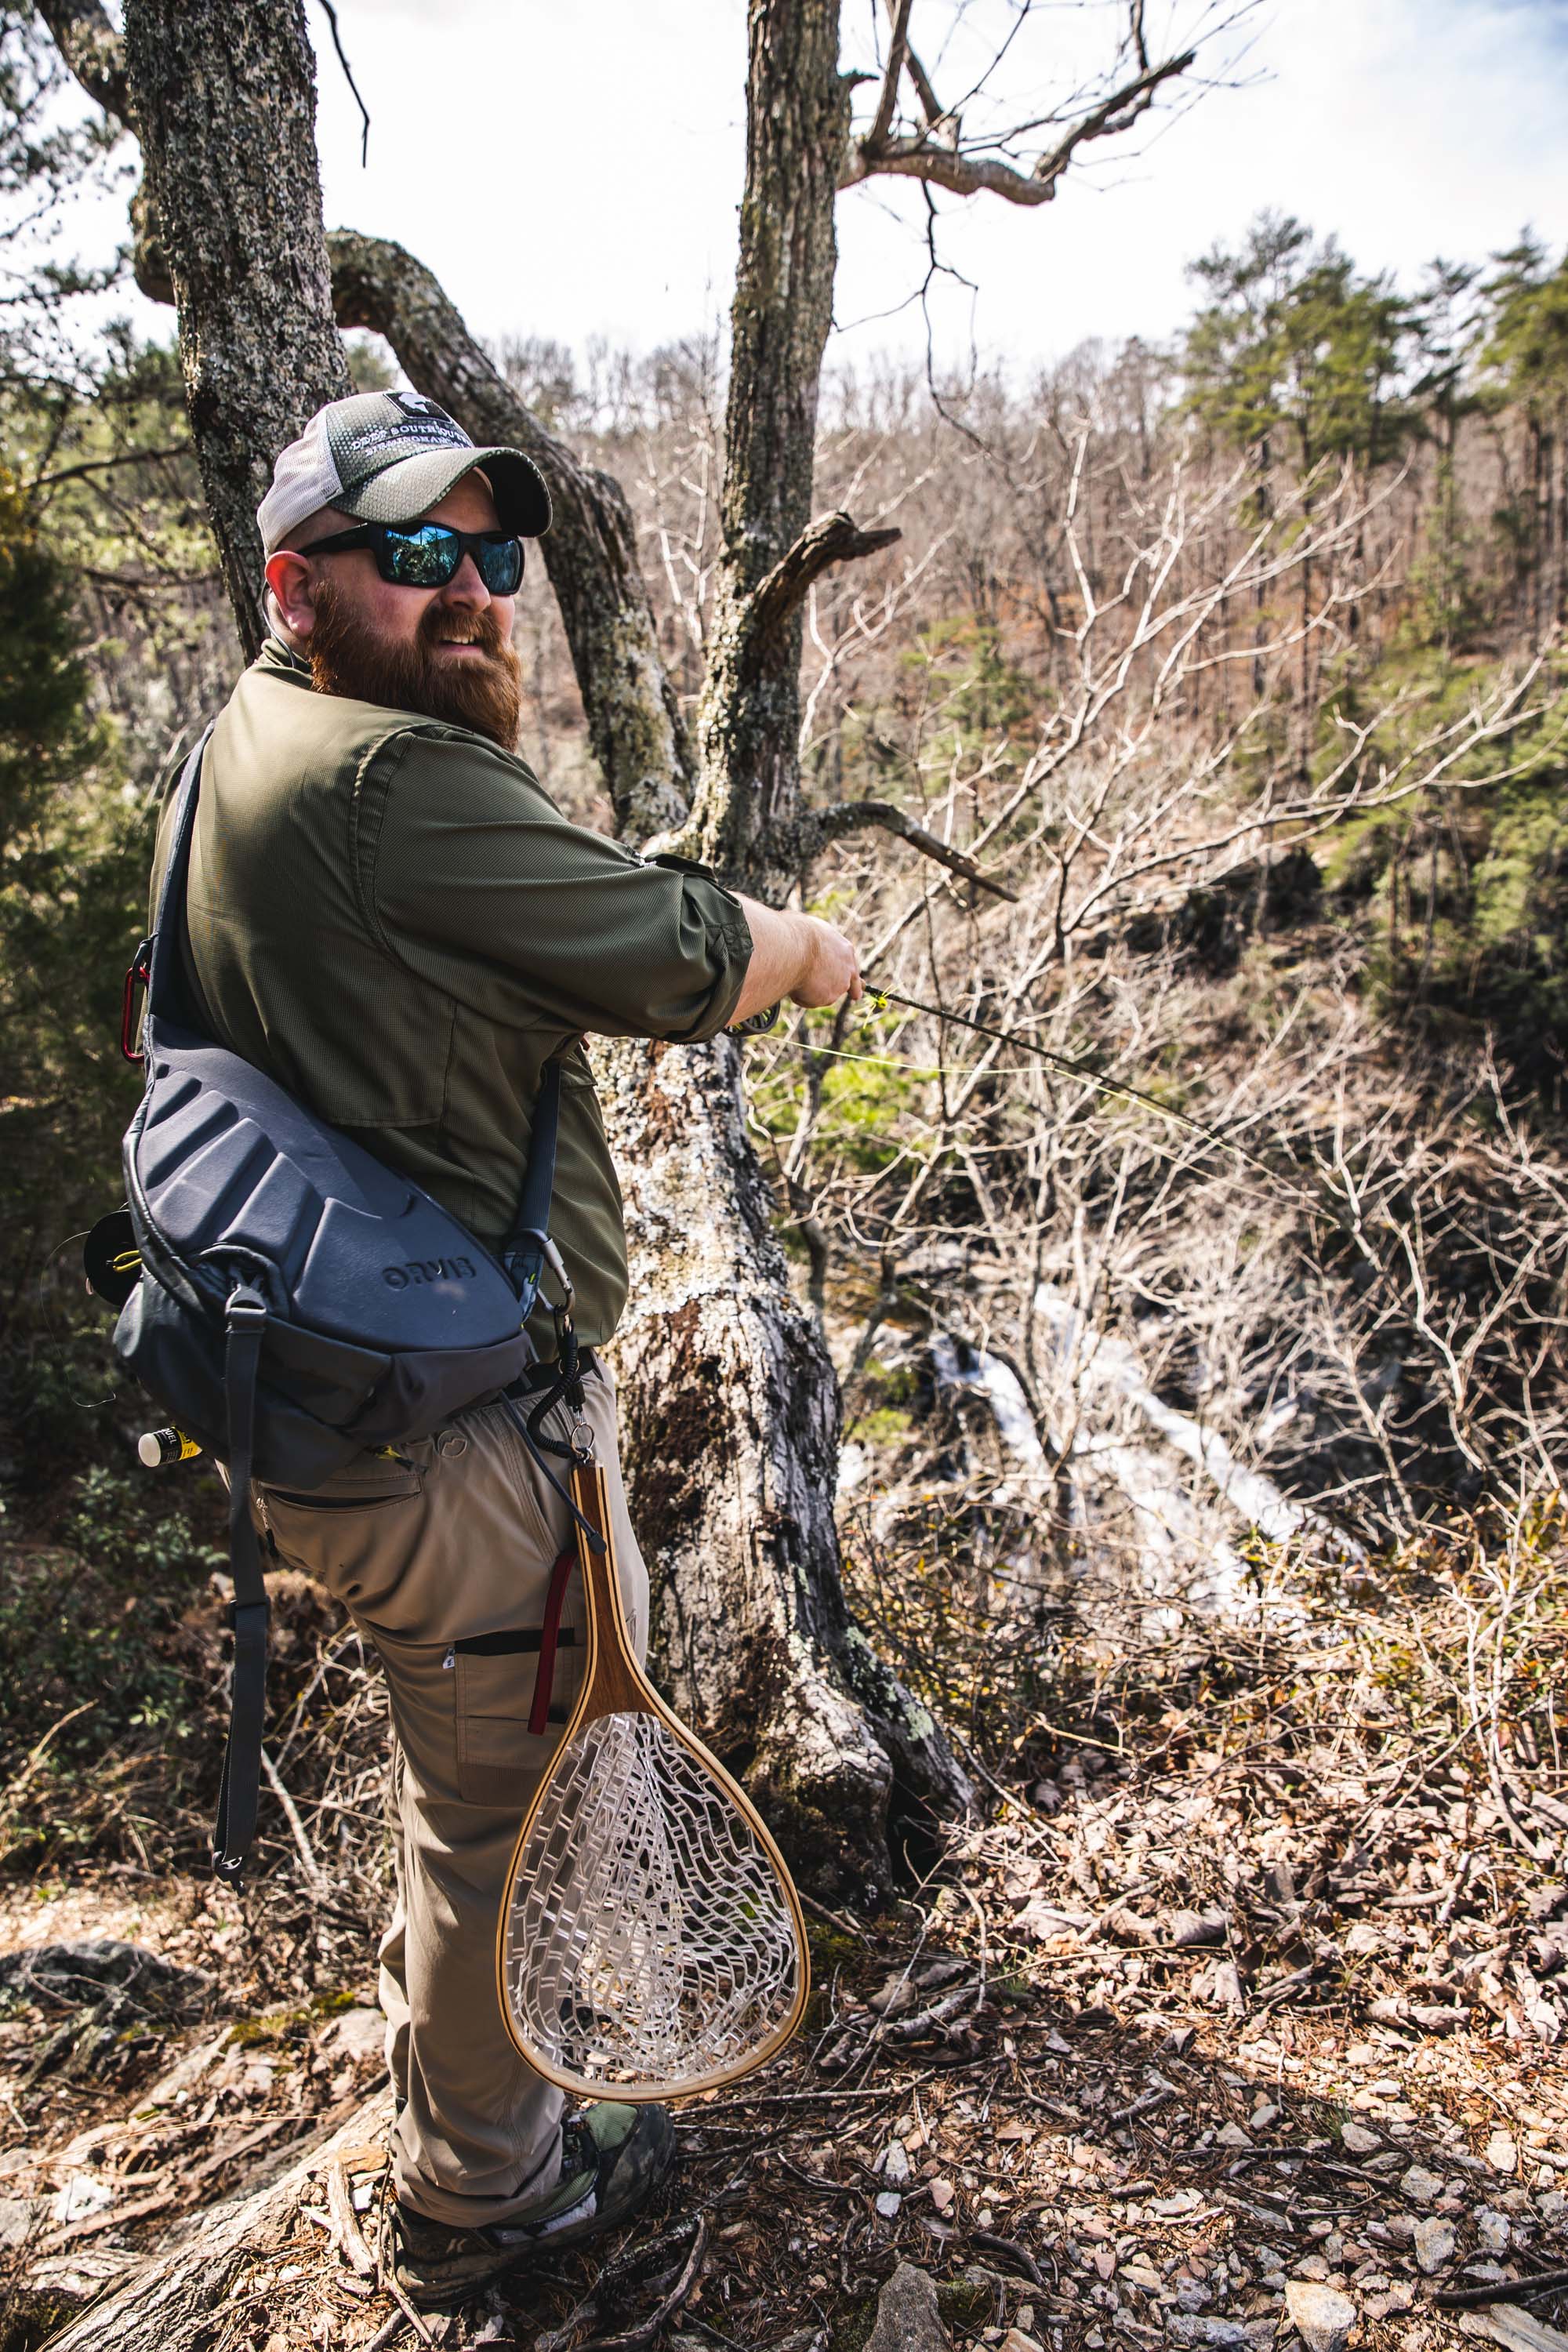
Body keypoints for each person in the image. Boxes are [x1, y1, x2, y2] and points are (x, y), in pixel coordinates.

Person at [149, 389, 860, 2307]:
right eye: (418, 557)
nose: (472, 595)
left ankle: (449, 2096)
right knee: (509, 1814)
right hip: (458, 1439)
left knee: (468, 1774)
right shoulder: (396, 781)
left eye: (493, 557)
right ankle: (487, 2196)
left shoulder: (253, 733)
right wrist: (801, 944)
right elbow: (679, 958)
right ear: (299, 585)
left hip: (325, 1394)